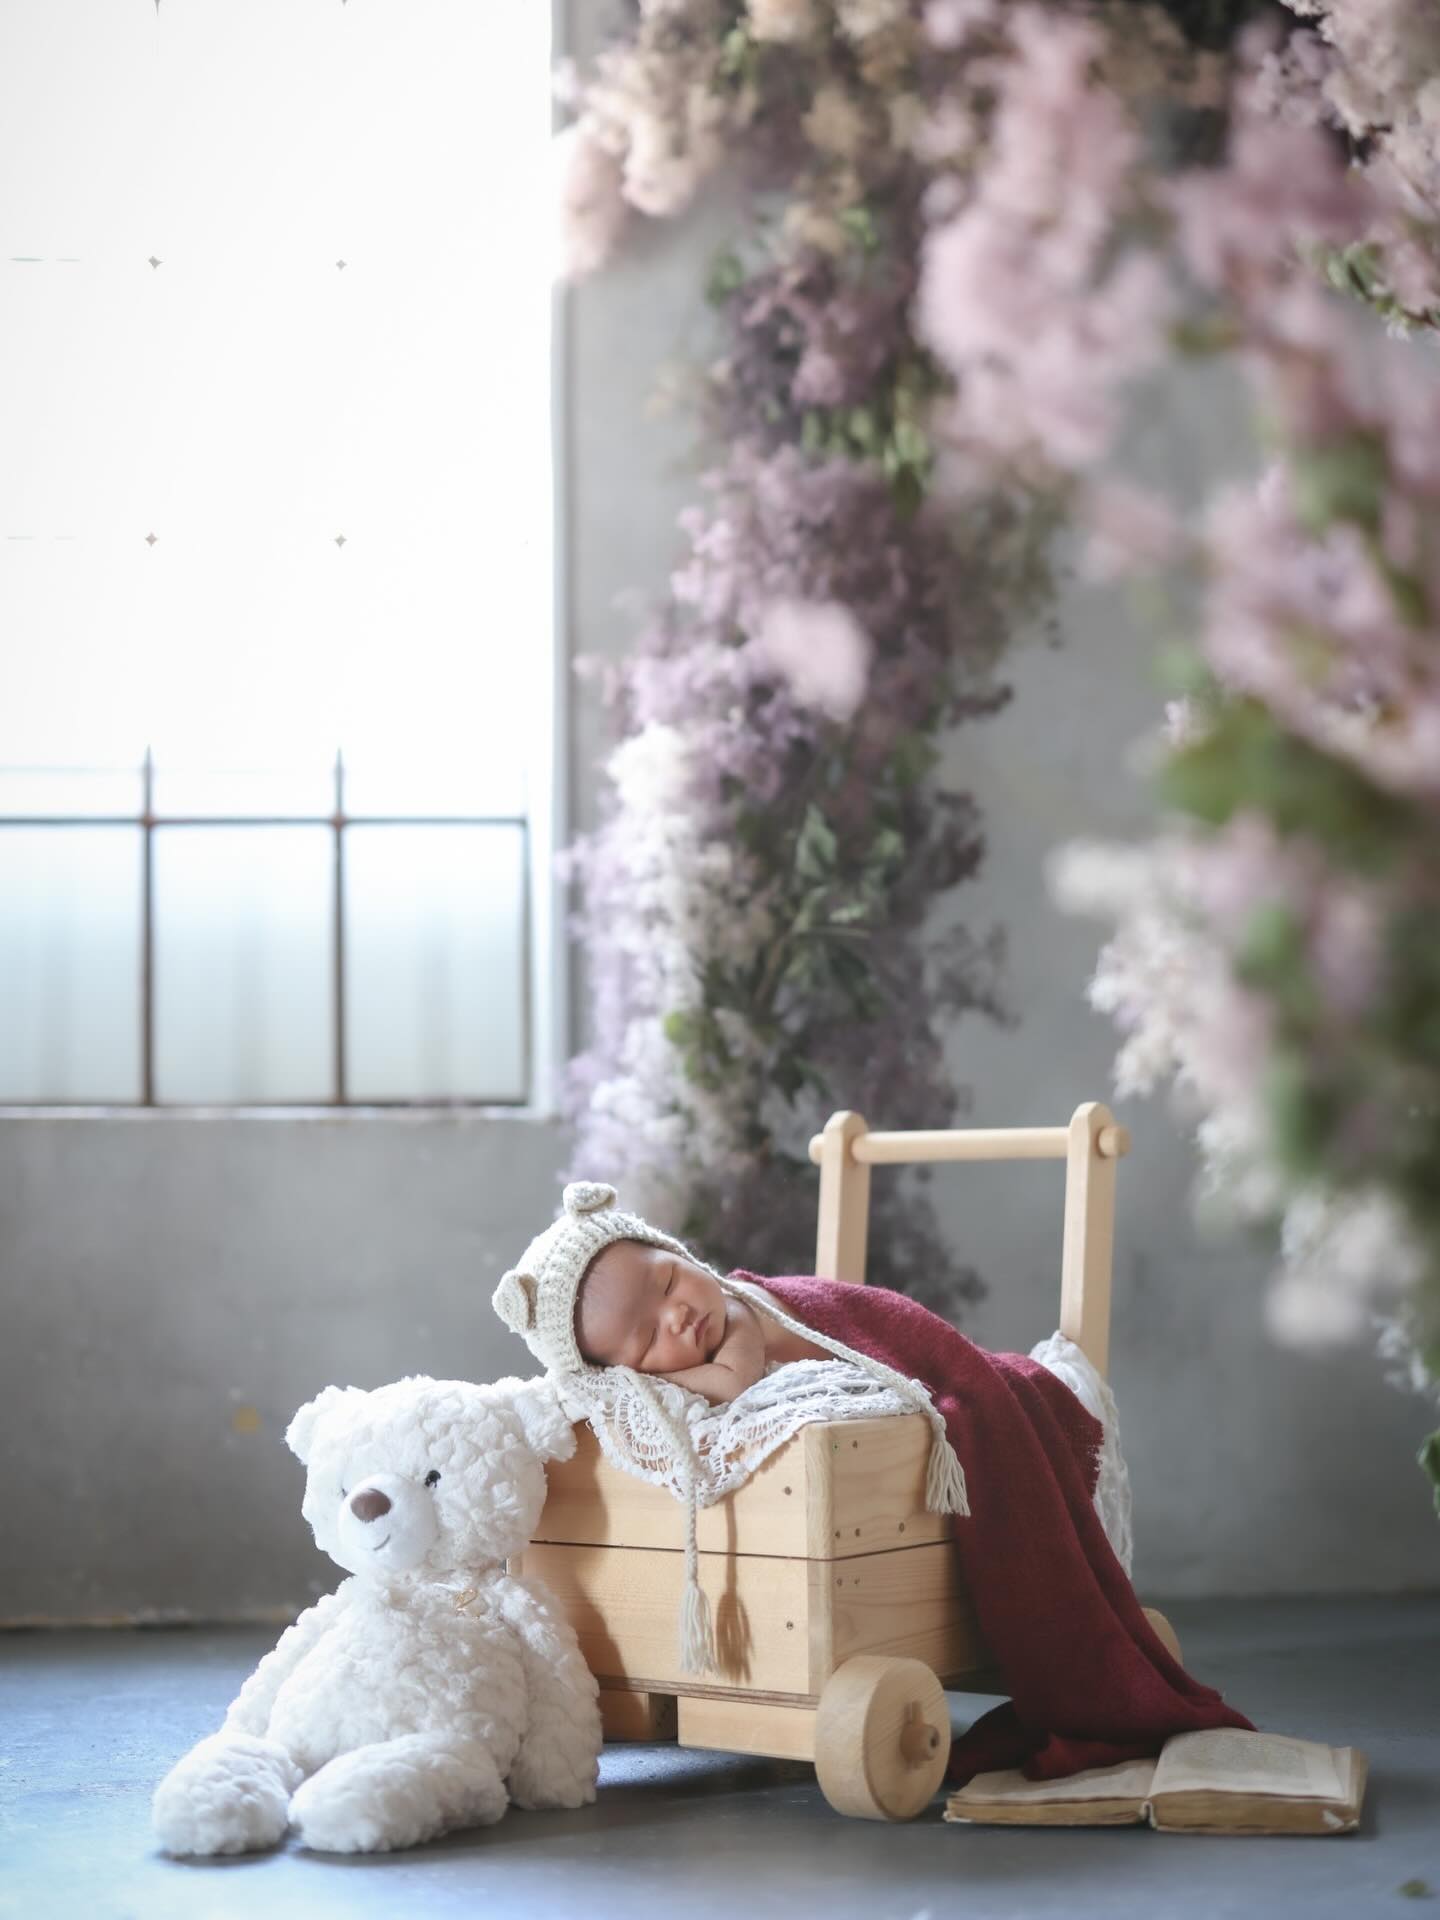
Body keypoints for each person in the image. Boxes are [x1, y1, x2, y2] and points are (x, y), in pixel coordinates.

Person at [491, 1180, 1253, 1781]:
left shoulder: (742, 1315)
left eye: (667, 1282)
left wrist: (680, 1368)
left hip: (908, 1358)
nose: (679, 1319)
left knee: (992, 1394)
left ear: (677, 1252)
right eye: (645, 1339)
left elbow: (742, 1379)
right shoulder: (663, 1362)